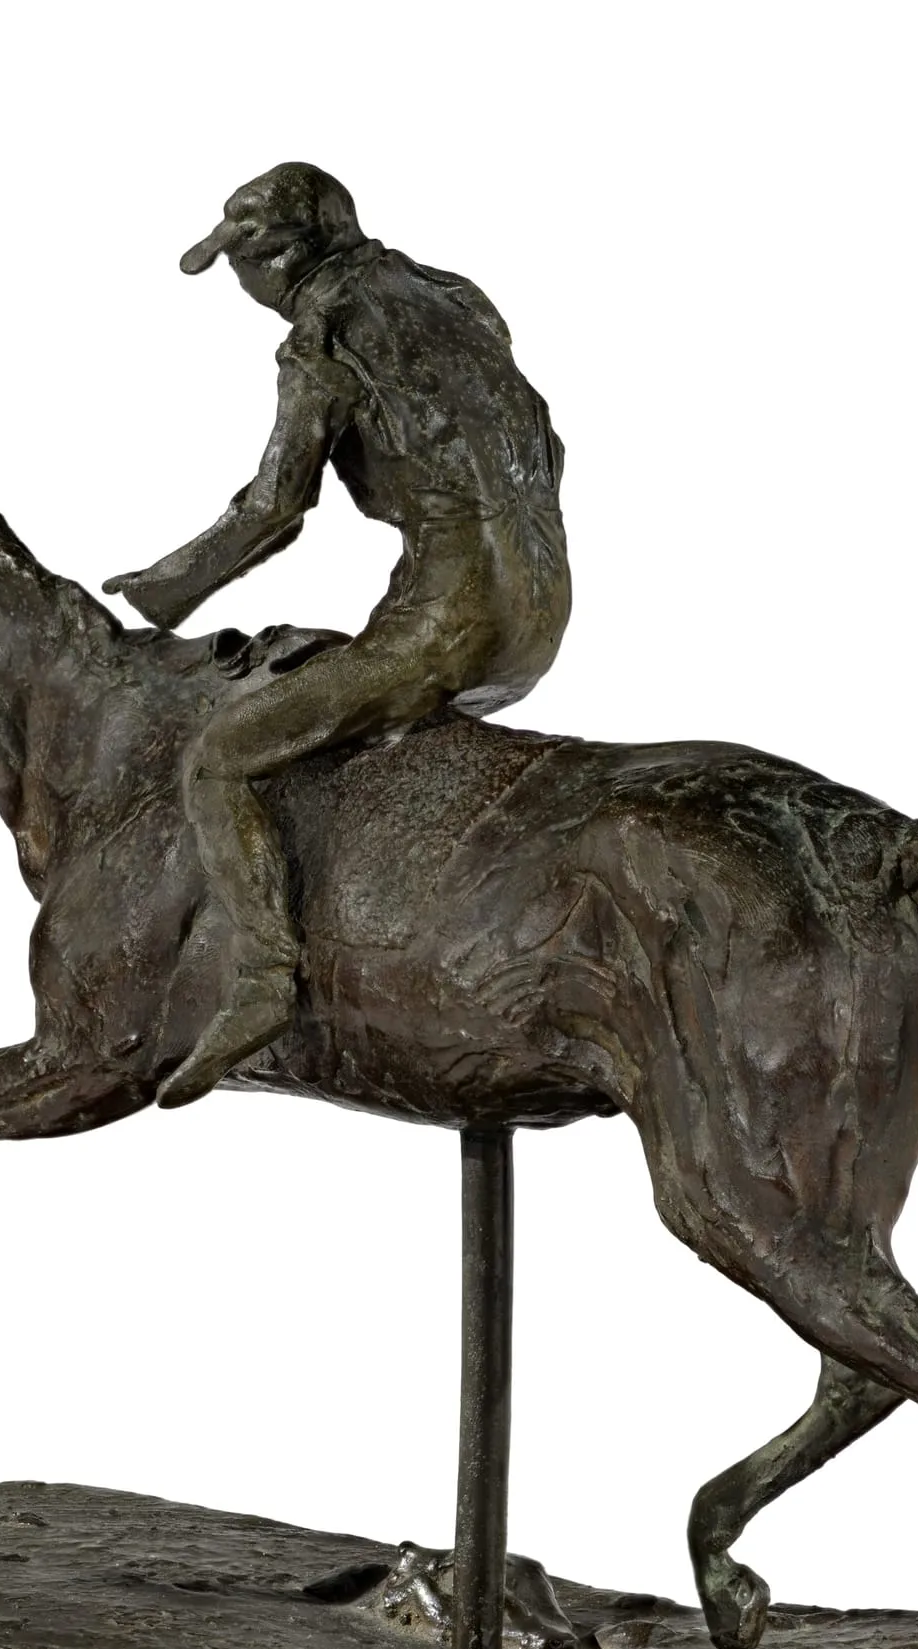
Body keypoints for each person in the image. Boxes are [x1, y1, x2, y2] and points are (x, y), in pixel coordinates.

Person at [105, 163, 572, 1106]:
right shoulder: (452, 295)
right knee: (325, 679)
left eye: (240, 264)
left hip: (449, 621)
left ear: (277, 260)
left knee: (222, 756)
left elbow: (275, 509)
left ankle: (264, 979)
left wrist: (159, 595)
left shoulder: (321, 337)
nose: (242, 285)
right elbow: (542, 444)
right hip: (542, 599)